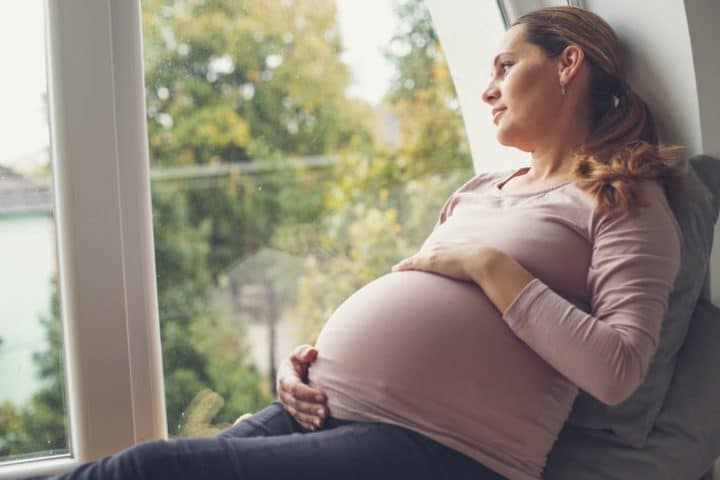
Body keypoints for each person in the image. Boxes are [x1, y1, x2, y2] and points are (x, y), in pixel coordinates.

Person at [39, 6, 685, 480]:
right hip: (327, 412)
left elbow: (617, 369)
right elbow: (416, 300)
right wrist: (304, 365)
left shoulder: (623, 198)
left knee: (145, 474)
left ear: (568, 63)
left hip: (444, 453)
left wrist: (491, 267)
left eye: (506, 67)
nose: (487, 90)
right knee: (116, 472)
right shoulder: (484, 187)